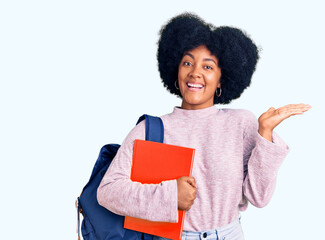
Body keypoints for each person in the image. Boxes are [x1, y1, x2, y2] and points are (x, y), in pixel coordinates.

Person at [97, 13, 311, 240]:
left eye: (208, 67)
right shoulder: (151, 129)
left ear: (221, 79)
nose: (195, 72)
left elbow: (259, 197)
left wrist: (265, 134)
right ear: (175, 70)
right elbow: (108, 191)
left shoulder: (241, 123)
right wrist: (169, 196)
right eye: (187, 62)